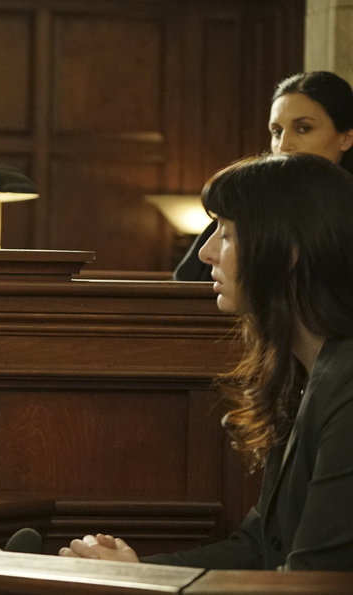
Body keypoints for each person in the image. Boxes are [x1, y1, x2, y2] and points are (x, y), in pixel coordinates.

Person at [60, 152, 353, 570]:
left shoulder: (346, 383)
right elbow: (258, 545)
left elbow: (317, 580)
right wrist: (137, 573)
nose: (206, 252)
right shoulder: (301, 373)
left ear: (288, 251)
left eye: (227, 234)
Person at [173, 70, 353, 281]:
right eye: (277, 132)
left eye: (303, 129)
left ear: (346, 138)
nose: (284, 145)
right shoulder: (248, 206)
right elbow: (186, 285)